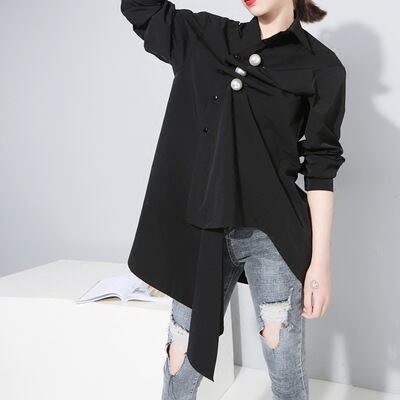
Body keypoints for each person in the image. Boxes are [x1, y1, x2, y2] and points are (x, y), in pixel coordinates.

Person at [120, 0, 346, 398]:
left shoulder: (322, 67)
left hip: (272, 236)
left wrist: (320, 265)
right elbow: (141, 8)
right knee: (179, 357)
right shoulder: (207, 37)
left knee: (283, 361)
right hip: (203, 230)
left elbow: (321, 168)